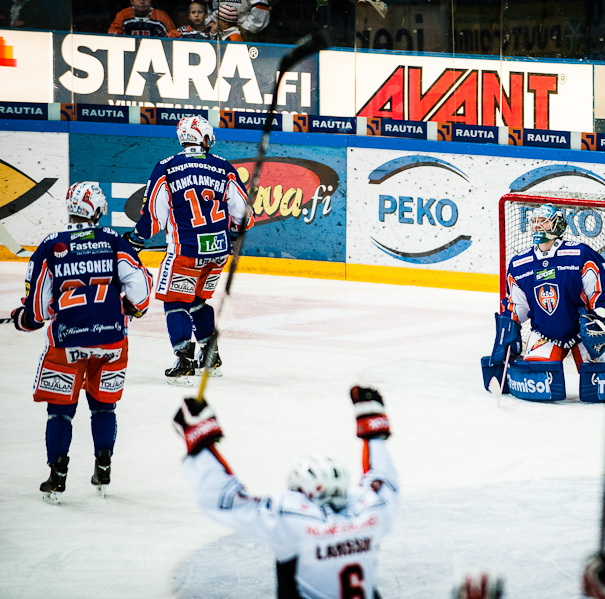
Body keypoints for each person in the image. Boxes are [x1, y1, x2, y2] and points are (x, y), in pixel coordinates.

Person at [174, 385, 399, 599]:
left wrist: (200, 440)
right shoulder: (373, 510)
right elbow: (382, 477)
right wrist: (372, 427)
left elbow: (224, 499)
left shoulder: (292, 520)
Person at [10, 182, 152, 504]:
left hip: (67, 342)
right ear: (99, 211)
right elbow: (141, 291)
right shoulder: (115, 241)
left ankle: (57, 475)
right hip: (111, 341)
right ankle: (104, 465)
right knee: (104, 405)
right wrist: (133, 308)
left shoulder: (51, 245)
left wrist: (24, 320)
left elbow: (36, 310)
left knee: (60, 410)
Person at [124, 115, 255, 384]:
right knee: (197, 301)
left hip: (185, 252)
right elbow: (245, 216)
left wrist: (136, 239)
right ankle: (210, 357)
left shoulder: (167, 167)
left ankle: (184, 360)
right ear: (205, 139)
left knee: (175, 302)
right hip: (218, 251)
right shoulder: (223, 167)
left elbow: (154, 216)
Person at [489, 203, 605, 382]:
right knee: (537, 382)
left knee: (603, 382)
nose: (537, 226)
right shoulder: (520, 263)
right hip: (545, 333)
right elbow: (517, 306)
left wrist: (601, 317)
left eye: (544, 221)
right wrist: (508, 327)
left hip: (585, 333)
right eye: (535, 221)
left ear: (557, 224)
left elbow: (602, 291)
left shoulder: (580, 253)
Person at [108, 0, 177, 37]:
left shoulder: (161, 17)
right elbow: (113, 37)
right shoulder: (123, 15)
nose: (142, 2)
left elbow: (173, 37)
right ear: (132, 1)